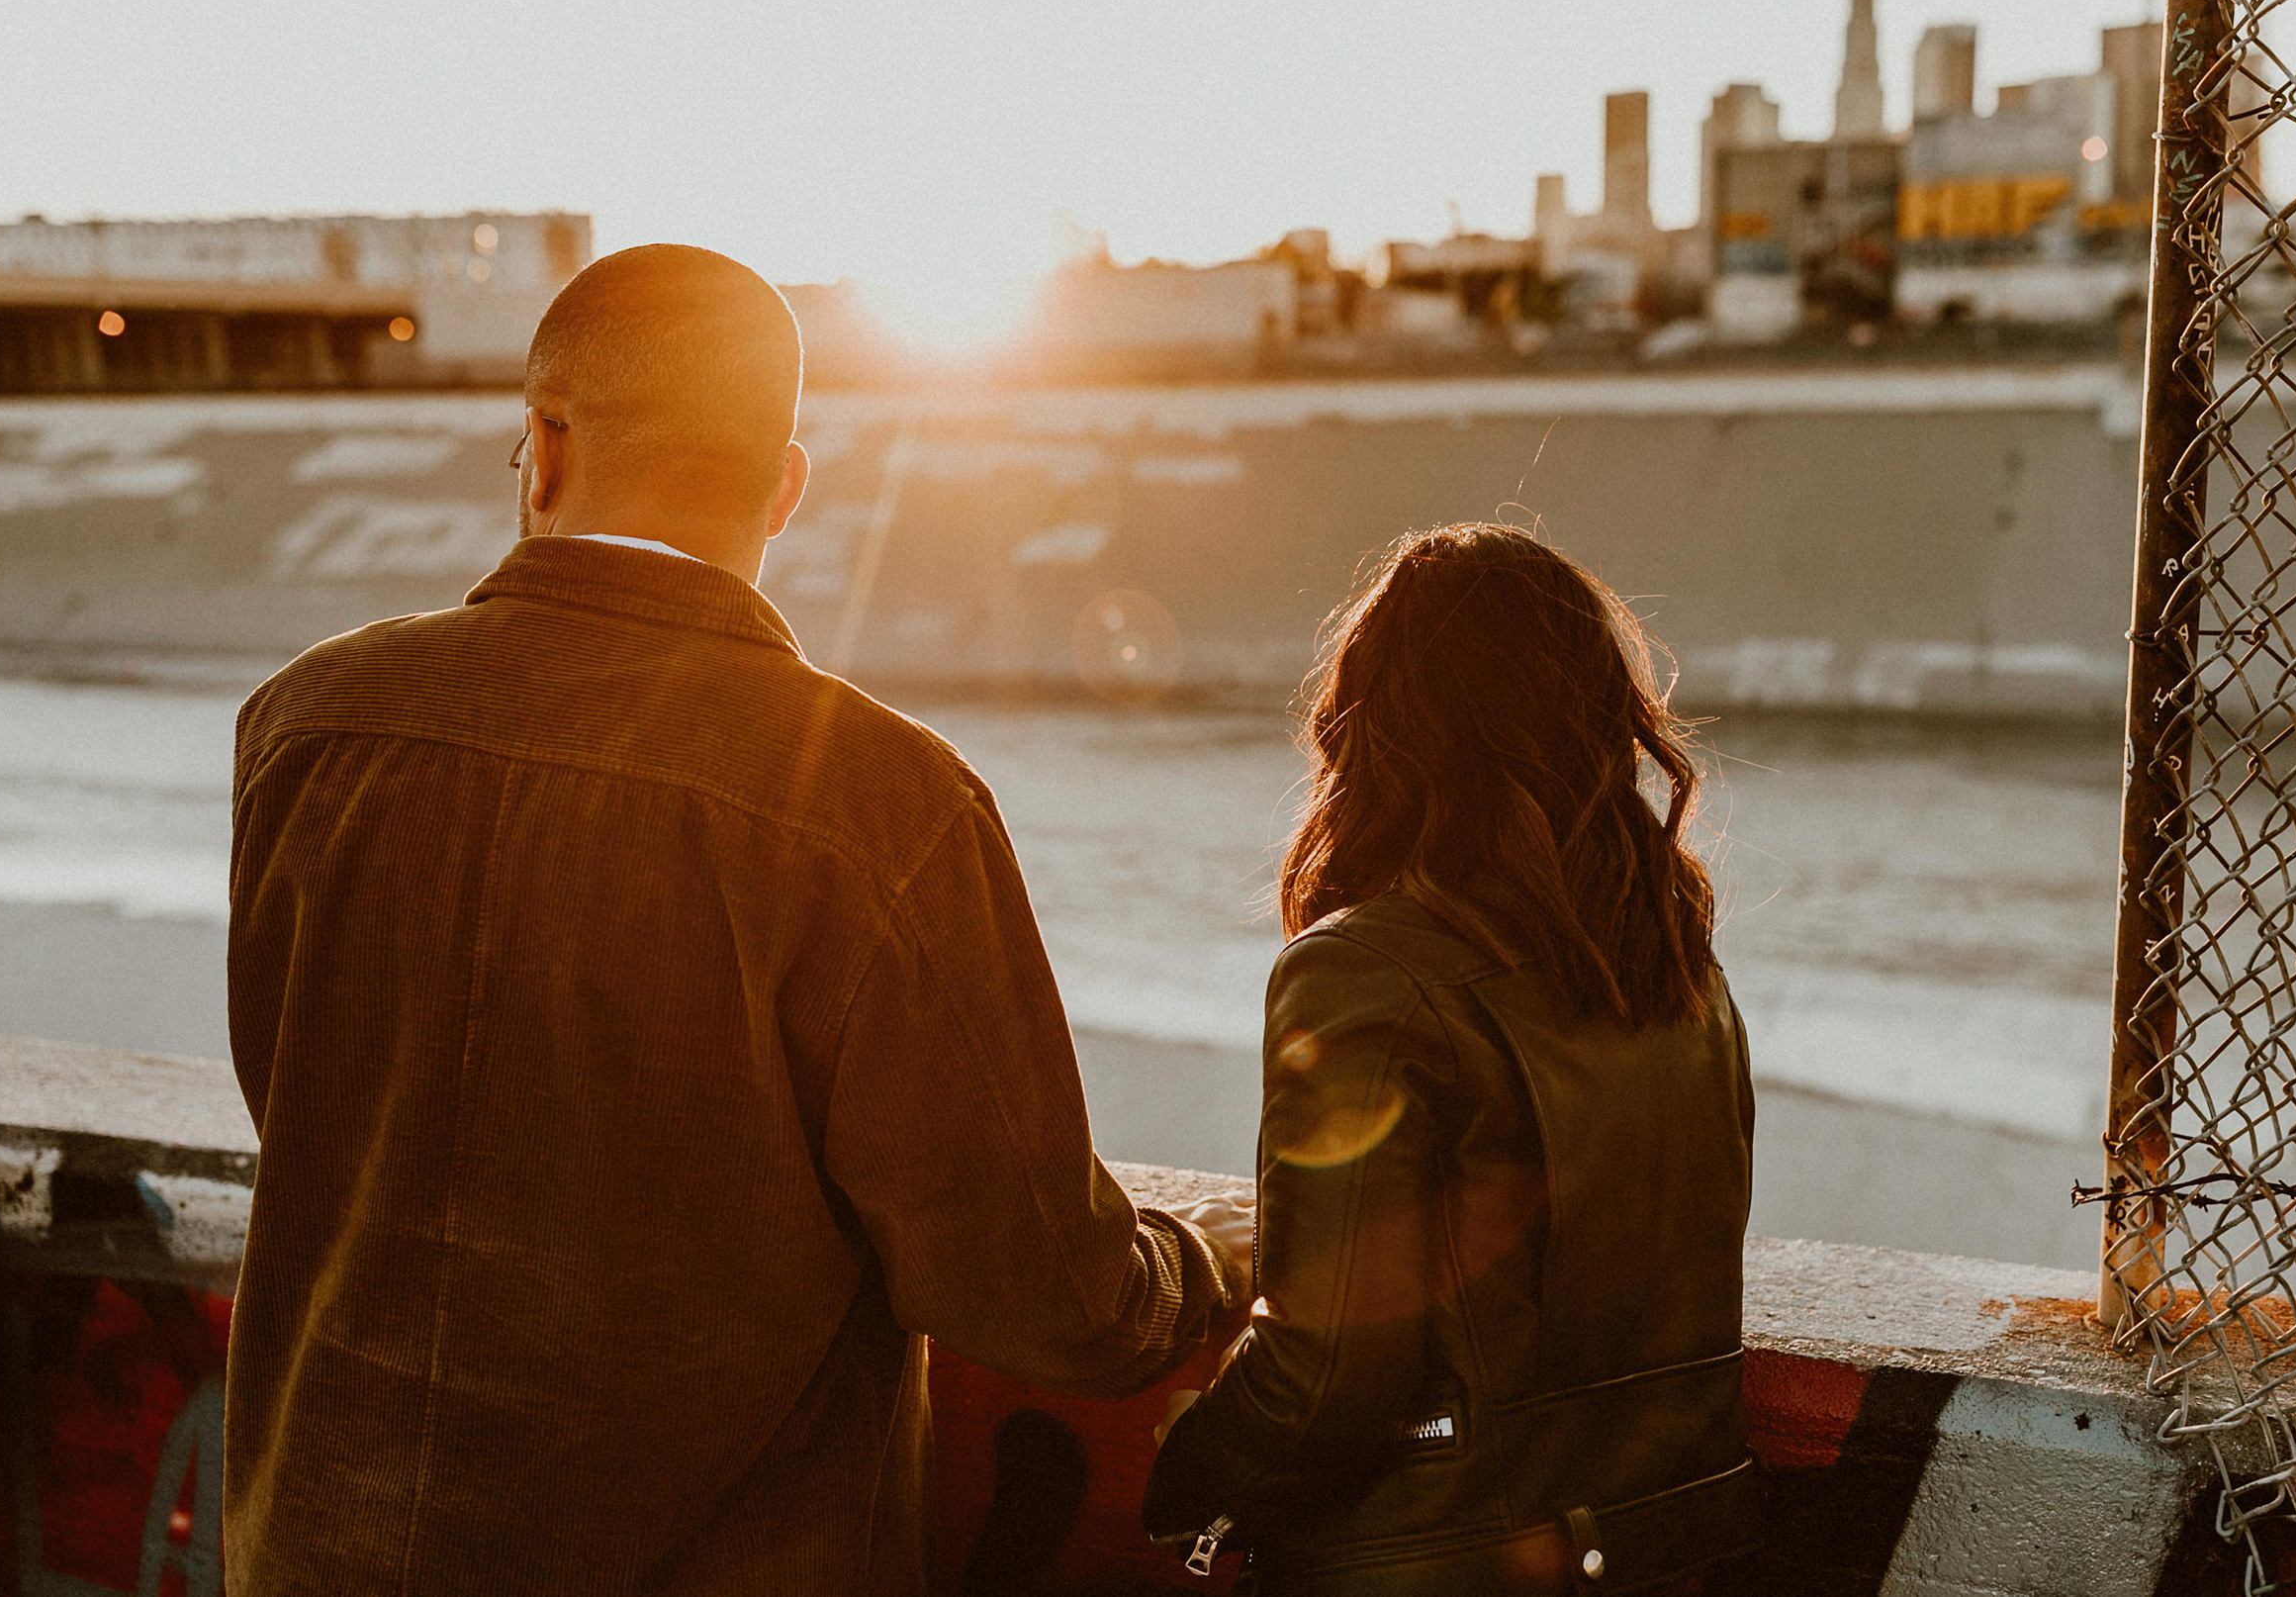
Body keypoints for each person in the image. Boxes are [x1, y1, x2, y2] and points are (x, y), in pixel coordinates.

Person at [225, 243, 1250, 1596]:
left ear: (539, 444)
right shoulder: (883, 798)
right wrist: (1212, 1255)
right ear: (786, 488)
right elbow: (1042, 1290)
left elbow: (300, 1094)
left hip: (315, 1548)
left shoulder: (308, 724)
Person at [1143, 524, 1758, 1594]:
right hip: (1679, 1545)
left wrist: (1182, 1477)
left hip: (1443, 1562)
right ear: (1596, 720)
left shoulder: (1363, 973)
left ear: (1375, 724)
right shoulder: (1679, 969)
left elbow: (1330, 1366)